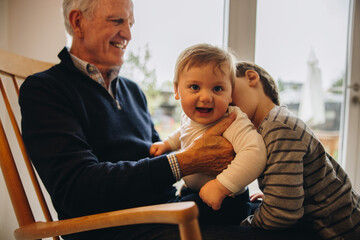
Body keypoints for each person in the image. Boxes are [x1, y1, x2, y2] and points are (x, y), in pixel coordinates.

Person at [18, 0, 239, 239]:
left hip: (164, 214)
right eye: (117, 21)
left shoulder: (133, 91)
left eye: (130, 23)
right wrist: (185, 161)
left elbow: (160, 162)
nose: (128, 34)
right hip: (118, 230)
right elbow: (76, 191)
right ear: (77, 22)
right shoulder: (45, 90)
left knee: (276, 217)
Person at [234, 61, 360, 240]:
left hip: (338, 230)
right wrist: (281, 189)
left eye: (226, 87)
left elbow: (281, 214)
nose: (225, 100)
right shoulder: (276, 120)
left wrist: (249, 223)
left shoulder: (277, 126)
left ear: (251, 78)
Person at [150, 44, 267, 218]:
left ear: (231, 94)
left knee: (174, 218)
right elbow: (184, 132)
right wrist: (167, 144)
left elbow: (255, 153)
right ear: (176, 90)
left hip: (225, 200)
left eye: (217, 89)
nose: (205, 97)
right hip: (192, 191)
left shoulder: (232, 121)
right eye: (195, 87)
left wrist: (221, 186)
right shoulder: (188, 116)